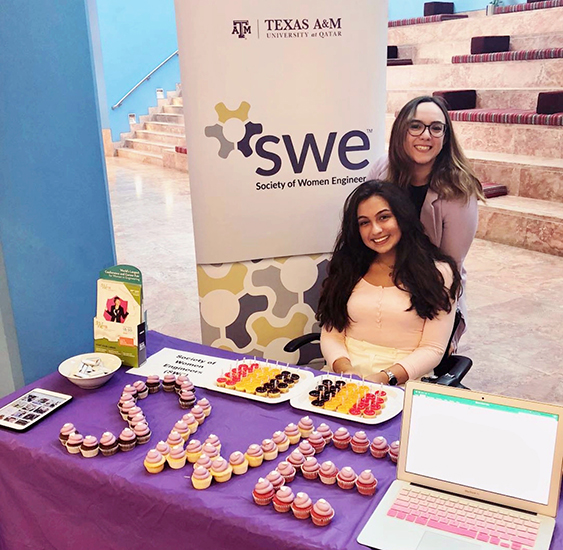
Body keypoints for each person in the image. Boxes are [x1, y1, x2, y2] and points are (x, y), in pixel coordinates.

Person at [317, 180, 461, 385]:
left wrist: (384, 378)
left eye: (384, 217)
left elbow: (433, 349)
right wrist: (346, 371)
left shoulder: (438, 273)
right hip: (343, 376)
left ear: (402, 217)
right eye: (364, 222)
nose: (375, 230)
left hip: (405, 380)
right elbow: (332, 334)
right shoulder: (347, 266)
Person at [368, 96, 484, 343]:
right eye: (416, 126)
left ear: (445, 137)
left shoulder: (459, 191)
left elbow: (448, 270)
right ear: (401, 130)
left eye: (436, 128)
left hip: (430, 292)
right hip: (381, 283)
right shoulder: (381, 169)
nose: (426, 135)